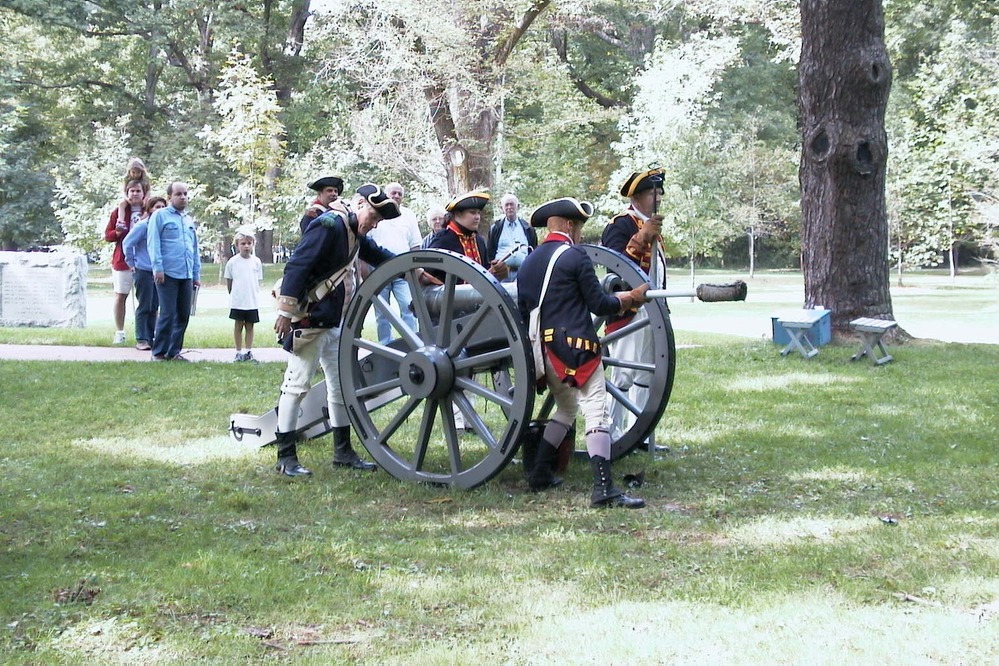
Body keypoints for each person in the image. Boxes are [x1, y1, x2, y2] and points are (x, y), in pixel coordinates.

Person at [517, 197, 649, 509]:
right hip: (576, 349)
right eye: (578, 227)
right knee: (596, 411)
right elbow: (599, 305)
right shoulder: (574, 255)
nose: (579, 234)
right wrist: (629, 298)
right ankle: (604, 489)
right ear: (568, 225)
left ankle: (539, 473)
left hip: (543, 351)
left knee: (566, 409)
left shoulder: (529, 262)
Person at [272, 183, 400, 477]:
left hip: (336, 320)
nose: (374, 223)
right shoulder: (329, 225)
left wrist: (415, 268)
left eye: (378, 220)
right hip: (312, 318)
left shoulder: (354, 232)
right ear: (359, 204)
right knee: (296, 386)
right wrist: (285, 312)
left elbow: (379, 255)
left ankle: (343, 452)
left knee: (341, 385)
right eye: (373, 216)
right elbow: (298, 265)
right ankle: (285, 457)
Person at [600, 168, 668, 444]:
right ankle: (610, 434)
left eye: (660, 193)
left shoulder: (652, 225)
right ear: (637, 197)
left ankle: (637, 434)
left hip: (653, 311)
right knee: (624, 375)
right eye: (653, 193)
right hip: (629, 312)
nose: (658, 198)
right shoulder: (620, 225)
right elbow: (616, 267)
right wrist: (641, 237)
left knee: (646, 375)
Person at [147, 182, 200, 361]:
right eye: (178, 194)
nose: (183, 197)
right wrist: (157, 268)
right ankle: (159, 352)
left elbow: (194, 248)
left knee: (183, 314)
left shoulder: (188, 220)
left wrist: (196, 274)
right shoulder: (160, 216)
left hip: (186, 274)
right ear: (169, 197)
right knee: (167, 313)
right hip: (167, 273)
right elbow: (153, 242)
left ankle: (174, 351)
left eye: (185, 194)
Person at [366, 182, 422, 343]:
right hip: (378, 270)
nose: (396, 196)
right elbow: (366, 242)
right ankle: (385, 344)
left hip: (403, 270)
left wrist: (416, 267)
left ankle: (413, 342)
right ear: (386, 194)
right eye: (393, 193)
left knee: (409, 306)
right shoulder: (376, 213)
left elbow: (415, 244)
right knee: (382, 312)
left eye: (399, 194)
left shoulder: (408, 215)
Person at [425, 190, 509, 282]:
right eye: (472, 212)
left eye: (478, 213)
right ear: (457, 214)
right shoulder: (443, 240)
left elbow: (485, 270)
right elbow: (426, 274)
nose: (477, 217)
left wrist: (497, 271)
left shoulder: (479, 240)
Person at [104, 180, 146, 344]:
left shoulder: (149, 211)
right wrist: (117, 232)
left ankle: (149, 331)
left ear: (144, 193)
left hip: (144, 260)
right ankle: (120, 332)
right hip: (122, 260)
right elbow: (108, 236)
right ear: (127, 193)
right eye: (132, 191)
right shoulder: (119, 212)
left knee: (148, 298)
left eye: (138, 191)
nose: (135, 194)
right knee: (121, 295)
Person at [122, 196, 166, 350]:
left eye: (163, 207)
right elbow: (127, 243)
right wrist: (131, 262)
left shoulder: (163, 227)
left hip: (158, 271)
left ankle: (151, 337)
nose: (160, 210)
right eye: (157, 207)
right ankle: (141, 339)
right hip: (143, 270)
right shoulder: (143, 226)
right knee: (145, 305)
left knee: (154, 305)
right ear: (150, 209)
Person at [225, 229, 264, 362]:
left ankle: (248, 351)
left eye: (249, 243)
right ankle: (238, 351)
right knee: (238, 325)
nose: (246, 246)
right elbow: (229, 281)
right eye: (243, 243)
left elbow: (257, 281)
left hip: (251, 300)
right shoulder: (232, 262)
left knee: (250, 326)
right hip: (238, 301)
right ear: (237, 245)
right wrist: (233, 294)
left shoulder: (256, 262)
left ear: (253, 244)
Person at [486, 193, 537, 282]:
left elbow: (534, 250)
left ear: (518, 207)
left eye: (512, 204)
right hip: (502, 274)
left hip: (523, 272)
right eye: (506, 205)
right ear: (502, 208)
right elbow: (490, 252)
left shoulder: (528, 228)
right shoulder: (495, 228)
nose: (509, 207)